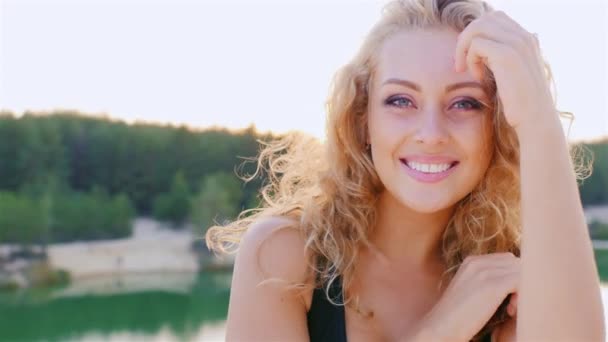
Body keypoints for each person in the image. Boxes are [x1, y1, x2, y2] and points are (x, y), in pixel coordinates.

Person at [206, 0, 605, 341]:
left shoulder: (509, 280)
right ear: (363, 120)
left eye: (465, 103)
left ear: (498, 126)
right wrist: (443, 327)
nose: (431, 134)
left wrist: (540, 123)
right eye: (401, 101)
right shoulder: (285, 255)